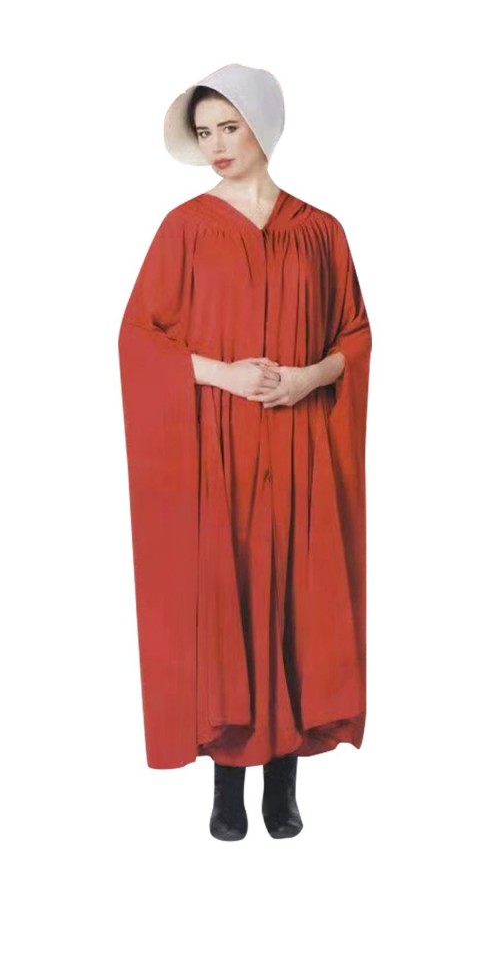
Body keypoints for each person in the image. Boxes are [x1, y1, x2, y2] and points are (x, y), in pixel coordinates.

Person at [118, 63, 372, 841]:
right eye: (204, 133)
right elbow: (138, 339)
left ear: (262, 124)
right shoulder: (186, 228)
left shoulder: (320, 231)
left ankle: (283, 787)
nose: (217, 146)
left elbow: (355, 336)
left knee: (295, 601)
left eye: (230, 127)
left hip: (300, 448)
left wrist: (307, 379)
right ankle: (227, 788)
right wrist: (221, 373)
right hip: (219, 453)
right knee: (228, 601)